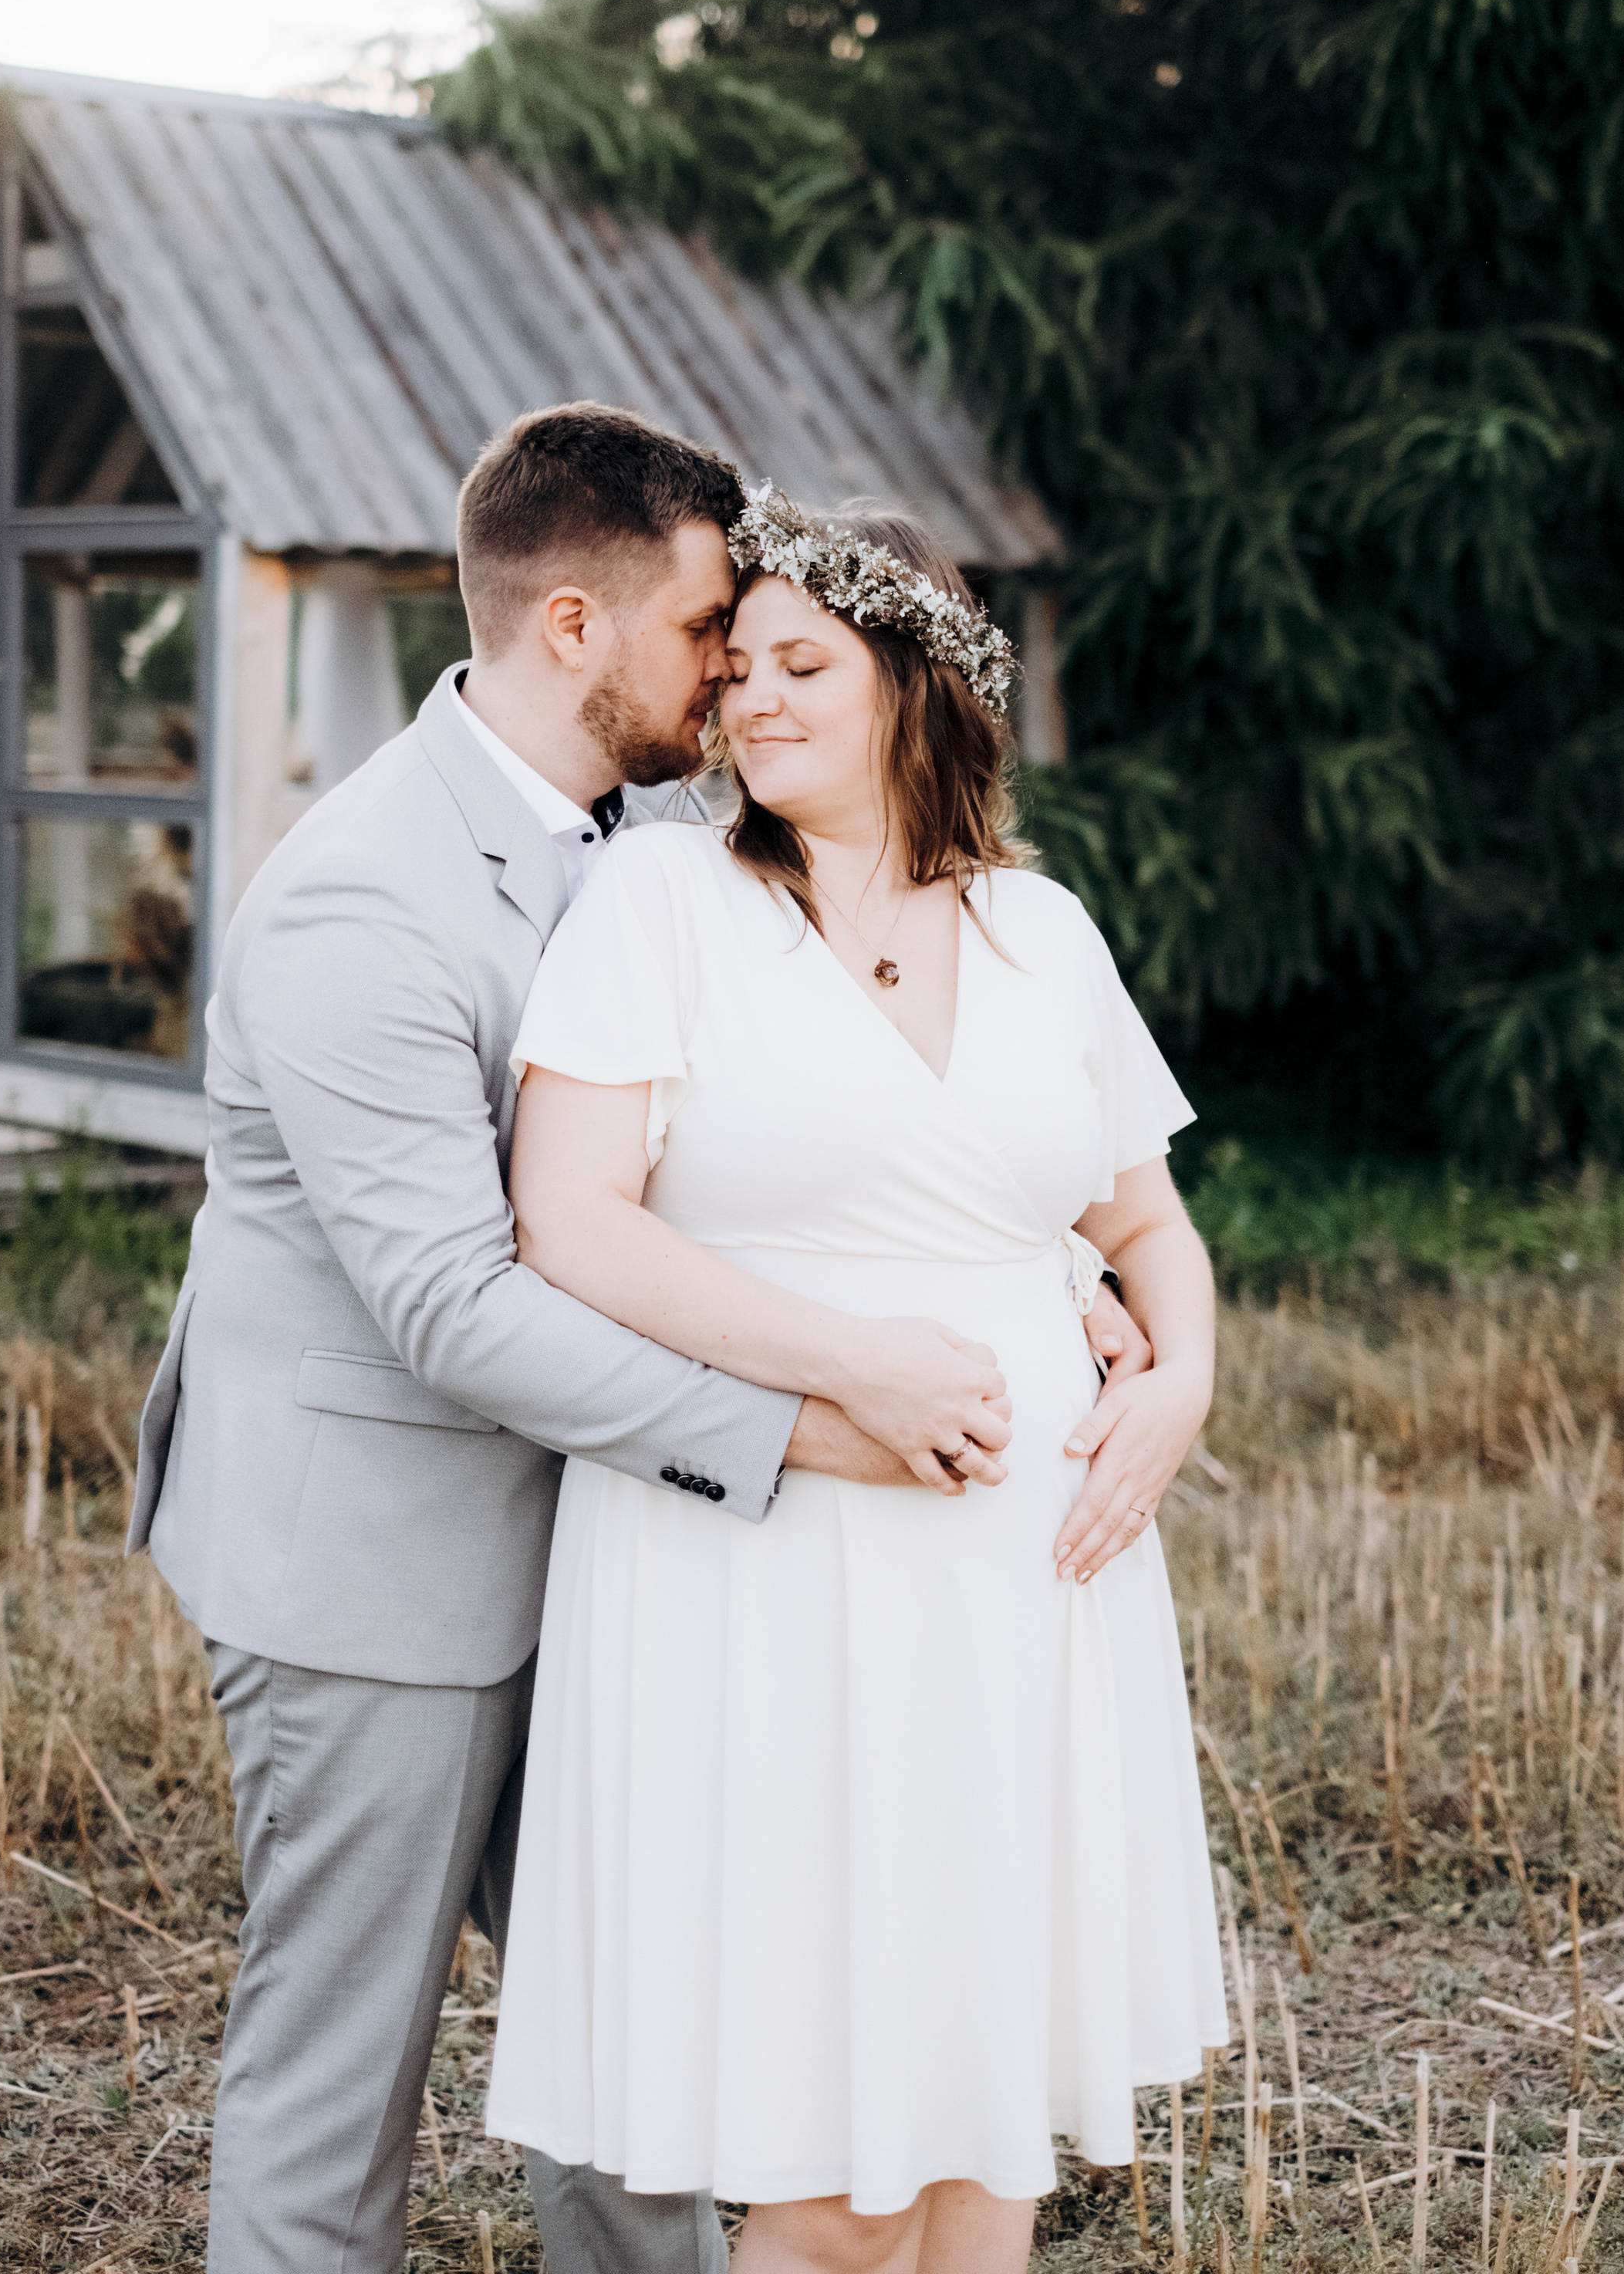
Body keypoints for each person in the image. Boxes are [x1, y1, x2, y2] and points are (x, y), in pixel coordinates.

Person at [126, 406, 1140, 2274]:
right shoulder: (357, 896)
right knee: (338, 2084)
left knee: (646, 2065)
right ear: (574, 626)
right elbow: (456, 1301)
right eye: (703, 635)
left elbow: (752, 1129)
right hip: (381, 1564)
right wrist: (815, 1420)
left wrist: (1029, 1263)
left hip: (629, 1561)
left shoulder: (659, 843)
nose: (731, 676)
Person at [485, 487, 1227, 2274]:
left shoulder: (1041, 932)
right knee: (830, 2184)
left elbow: (1144, 1224)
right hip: (766, 1569)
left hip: (1023, 1580)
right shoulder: (662, 899)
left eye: (800, 665)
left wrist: (1181, 1382)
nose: (749, 699)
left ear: (913, 679)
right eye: (735, 667)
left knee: (983, 2148)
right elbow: (567, 1223)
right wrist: (853, 1367)